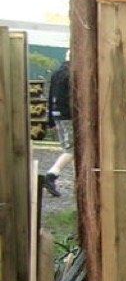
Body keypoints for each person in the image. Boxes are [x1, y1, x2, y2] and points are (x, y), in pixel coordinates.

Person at [44, 57, 73, 197]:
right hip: (68, 116)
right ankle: (51, 175)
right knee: (71, 150)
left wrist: (50, 120)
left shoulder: (56, 73)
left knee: (66, 148)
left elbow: (50, 95)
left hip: (57, 115)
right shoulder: (71, 74)